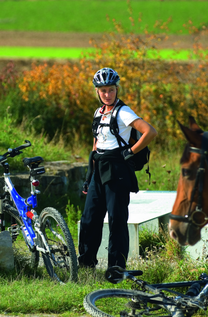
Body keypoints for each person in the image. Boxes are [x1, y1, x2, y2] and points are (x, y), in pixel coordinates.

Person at [78, 67, 157, 269]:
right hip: (98, 169)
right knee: (89, 219)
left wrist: (130, 152)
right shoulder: (98, 113)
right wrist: (89, 176)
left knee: (117, 220)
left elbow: (150, 132)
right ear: (97, 91)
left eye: (111, 90)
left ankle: (116, 268)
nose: (107, 94)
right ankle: (87, 264)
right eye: (103, 90)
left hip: (117, 170)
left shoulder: (124, 112)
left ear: (117, 89)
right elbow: (95, 144)